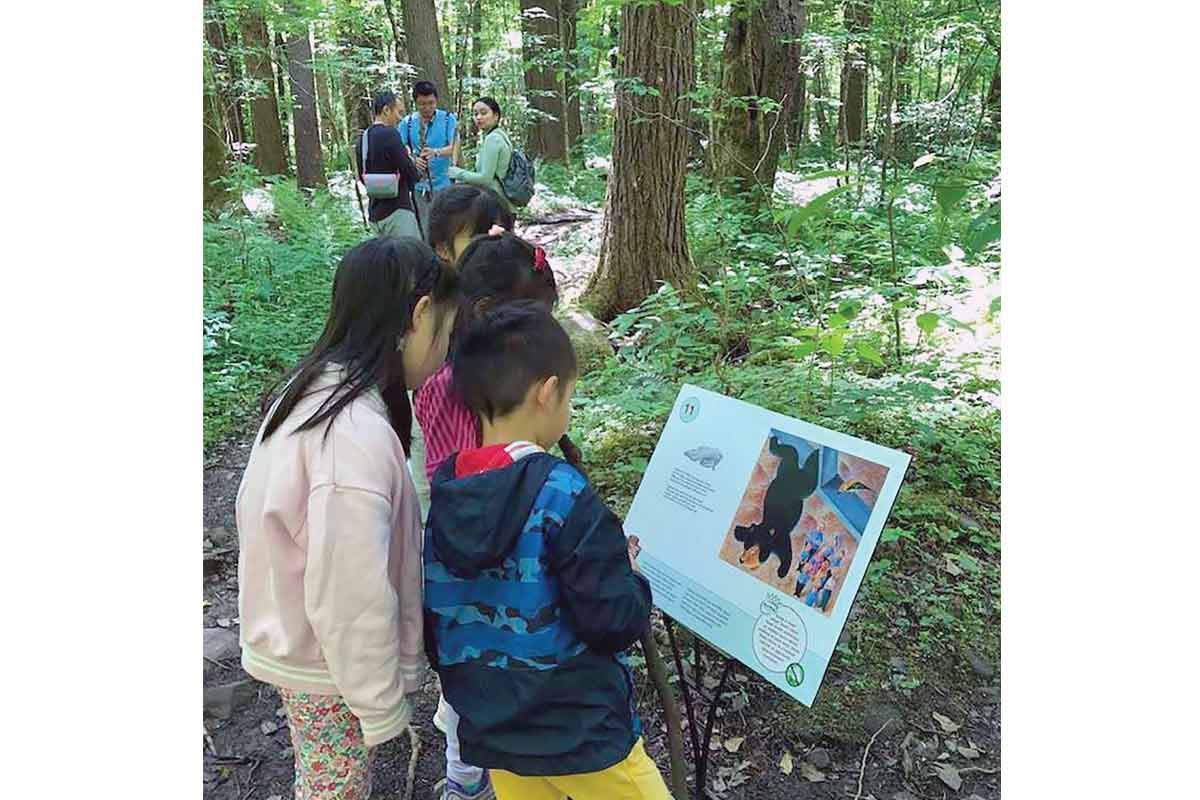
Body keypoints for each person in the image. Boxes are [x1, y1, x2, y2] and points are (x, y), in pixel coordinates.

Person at [236, 237, 459, 799]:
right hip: (326, 662)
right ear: (420, 313)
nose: (444, 352)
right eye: (445, 333)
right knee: (334, 789)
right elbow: (349, 591)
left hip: (309, 645)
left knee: (323, 780)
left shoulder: (317, 393)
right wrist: (380, 701)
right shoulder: (351, 435)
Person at [423, 302, 671, 800]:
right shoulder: (562, 493)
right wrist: (630, 576)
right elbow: (613, 621)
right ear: (548, 392)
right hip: (580, 732)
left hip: (498, 735)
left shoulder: (448, 493)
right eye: (570, 396)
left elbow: (438, 622)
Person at [414, 230, 582, 485]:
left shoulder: (510, 374)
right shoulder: (448, 387)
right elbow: (457, 490)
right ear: (485, 310)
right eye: (529, 323)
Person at [399, 80, 460, 241]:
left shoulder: (448, 119)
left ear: (436, 101)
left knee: (446, 225)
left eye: (431, 103)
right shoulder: (408, 122)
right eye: (422, 104)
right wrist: (413, 160)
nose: (427, 108)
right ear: (416, 103)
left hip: (444, 183)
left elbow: (454, 148)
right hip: (419, 186)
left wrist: (436, 152)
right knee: (425, 226)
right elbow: (401, 148)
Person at [357, 90, 423, 238]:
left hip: (375, 215)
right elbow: (408, 170)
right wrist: (416, 170)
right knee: (411, 257)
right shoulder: (391, 134)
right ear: (386, 110)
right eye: (398, 112)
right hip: (398, 212)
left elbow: (363, 176)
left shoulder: (363, 139)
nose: (400, 118)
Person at [448, 97, 514, 213]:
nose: (478, 117)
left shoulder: (492, 139)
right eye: (475, 114)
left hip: (495, 205)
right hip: (503, 203)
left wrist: (457, 173)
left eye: (484, 113)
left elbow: (485, 178)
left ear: (496, 115)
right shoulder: (501, 135)